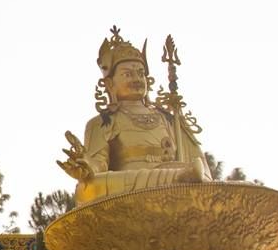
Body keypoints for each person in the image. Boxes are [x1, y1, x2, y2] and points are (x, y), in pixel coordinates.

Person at [58, 27, 211, 205]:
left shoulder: (169, 119)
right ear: (109, 84)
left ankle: (176, 177)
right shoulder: (101, 123)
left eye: (140, 73)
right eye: (128, 74)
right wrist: (86, 167)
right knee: (90, 188)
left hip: (179, 184)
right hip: (130, 190)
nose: (136, 79)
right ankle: (175, 178)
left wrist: (193, 173)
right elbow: (98, 169)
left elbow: (202, 169)